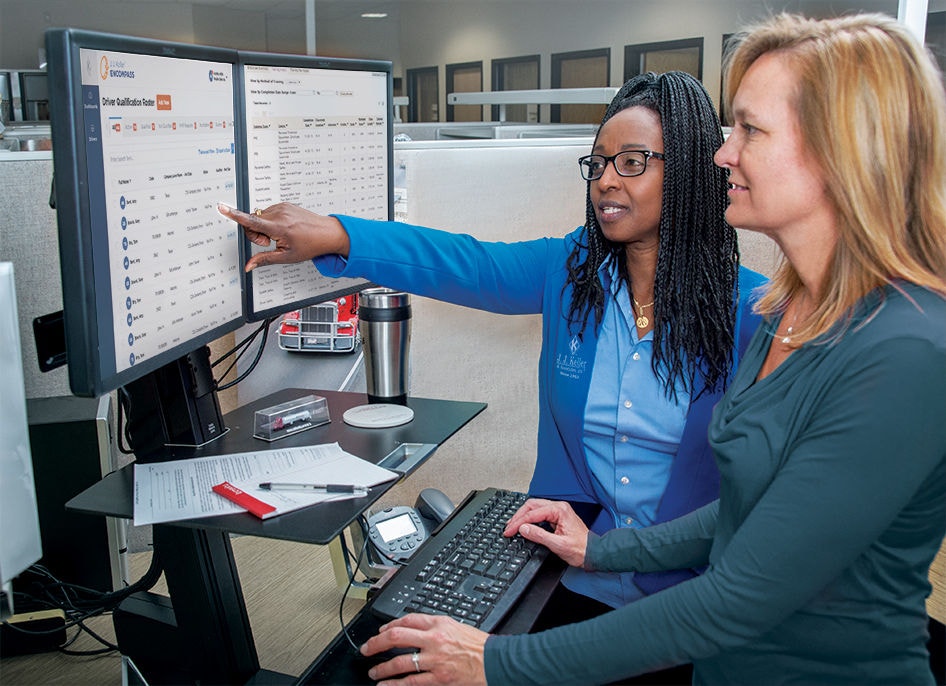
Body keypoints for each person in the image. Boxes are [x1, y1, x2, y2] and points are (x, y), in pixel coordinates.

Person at [344, 11, 946, 686]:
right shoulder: (792, 311)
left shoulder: (905, 348)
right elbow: (747, 511)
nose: (722, 154)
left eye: (750, 130)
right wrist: (603, 550)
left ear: (842, 151)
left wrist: (495, 661)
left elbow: (736, 598)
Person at [220, 72, 765, 636]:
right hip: (569, 576)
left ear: (689, 172)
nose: (606, 180)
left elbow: (764, 503)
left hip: (689, 600)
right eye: (599, 163)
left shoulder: (755, 314)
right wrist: (338, 234)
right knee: (388, 645)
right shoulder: (572, 274)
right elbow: (468, 263)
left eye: (631, 162)